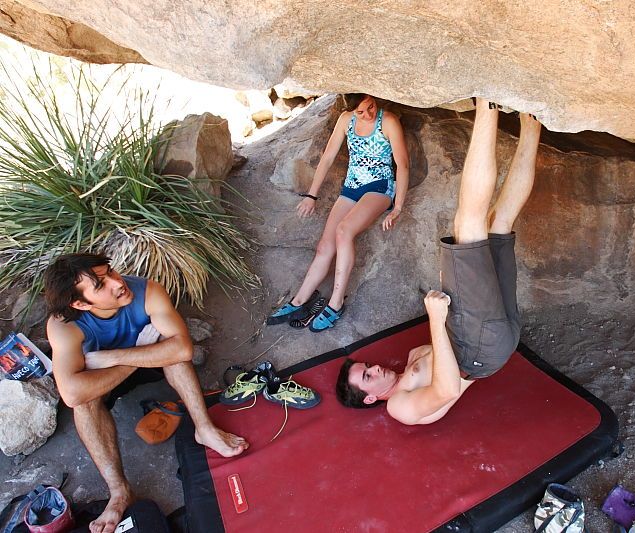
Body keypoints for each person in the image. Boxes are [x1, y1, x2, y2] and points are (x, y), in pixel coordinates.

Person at [335, 98, 542, 425]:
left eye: (367, 367)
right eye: (368, 377)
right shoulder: (399, 407)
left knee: (497, 224)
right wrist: (434, 317)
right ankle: (487, 105)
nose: (375, 368)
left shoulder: (409, 363)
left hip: (488, 340)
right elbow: (446, 391)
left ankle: (532, 123)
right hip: (478, 352)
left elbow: (450, 333)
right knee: (467, 228)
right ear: (370, 397)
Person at [45, 253, 249, 533]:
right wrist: (133, 357)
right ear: (80, 303)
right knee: (84, 403)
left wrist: (116, 356)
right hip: (108, 374)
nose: (117, 283)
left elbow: (182, 349)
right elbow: (71, 394)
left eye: (111, 272)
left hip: (141, 360)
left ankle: (205, 429)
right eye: (101, 285)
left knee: (173, 349)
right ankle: (119, 491)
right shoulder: (63, 325)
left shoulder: (147, 290)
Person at [268, 93, 409, 332]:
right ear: (351, 110)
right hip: (351, 187)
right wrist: (312, 196)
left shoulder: (388, 122)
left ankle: (335, 303)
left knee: (344, 231)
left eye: (371, 107)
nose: (368, 114)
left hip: (379, 187)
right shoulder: (345, 120)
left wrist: (397, 208)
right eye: (361, 112)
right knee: (325, 246)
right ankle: (300, 300)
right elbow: (328, 157)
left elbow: (403, 164)